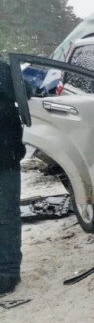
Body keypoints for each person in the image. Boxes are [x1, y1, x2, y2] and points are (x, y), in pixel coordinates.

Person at [0, 56, 26, 295]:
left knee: (6, 216)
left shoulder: (4, 72)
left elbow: (24, 94)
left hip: (4, 156)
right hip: (6, 153)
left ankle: (7, 273)